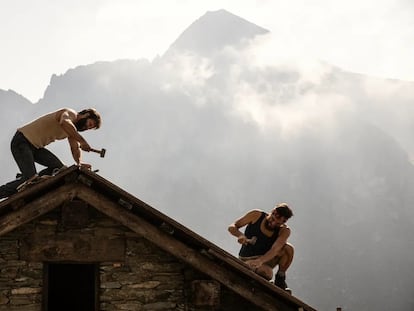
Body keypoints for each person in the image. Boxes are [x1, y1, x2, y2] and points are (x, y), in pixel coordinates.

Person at [0, 108, 102, 199]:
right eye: (89, 124)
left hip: (36, 147)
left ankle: (29, 177)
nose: (85, 128)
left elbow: (74, 148)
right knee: (30, 181)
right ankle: (28, 178)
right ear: (87, 114)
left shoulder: (72, 131)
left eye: (88, 128)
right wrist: (83, 141)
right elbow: (64, 122)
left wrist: (79, 163)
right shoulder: (71, 114)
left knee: (60, 169)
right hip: (22, 141)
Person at [228, 203, 294, 290]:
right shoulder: (256, 215)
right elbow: (232, 227)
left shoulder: (284, 231)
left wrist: (261, 260)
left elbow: (275, 249)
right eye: (272, 219)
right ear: (272, 212)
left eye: (278, 224)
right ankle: (257, 275)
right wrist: (240, 235)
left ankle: (280, 277)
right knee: (267, 273)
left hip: (266, 258)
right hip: (248, 258)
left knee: (288, 249)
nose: (273, 224)